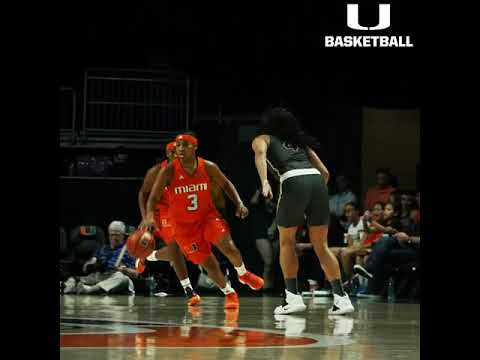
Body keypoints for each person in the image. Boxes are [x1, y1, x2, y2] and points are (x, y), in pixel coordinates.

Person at [251, 107, 354, 315]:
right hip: (316, 183)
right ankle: (342, 298)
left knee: (287, 242)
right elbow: (325, 173)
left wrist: (264, 182)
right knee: (322, 246)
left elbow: (260, 156)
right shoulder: (300, 144)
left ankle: (293, 297)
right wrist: (312, 197)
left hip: (293, 181)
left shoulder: (263, 138)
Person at [144, 132, 264, 309]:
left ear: (195, 147)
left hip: (207, 216)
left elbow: (226, 184)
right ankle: (229, 292)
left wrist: (239, 203)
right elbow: (153, 197)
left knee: (229, 247)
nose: (180, 148)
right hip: (184, 226)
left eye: (185, 145)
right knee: (209, 263)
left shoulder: (207, 166)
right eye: (178, 145)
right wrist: (148, 217)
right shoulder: (169, 170)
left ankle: (243, 273)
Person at [138, 140, 200, 306]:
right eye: (174, 152)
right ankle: (188, 290)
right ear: (167, 154)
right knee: (176, 247)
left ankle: (150, 256)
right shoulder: (156, 172)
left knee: (187, 251)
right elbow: (143, 194)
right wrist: (146, 216)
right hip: (160, 212)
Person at [63, 221, 138, 295]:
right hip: (100, 276)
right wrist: (91, 265)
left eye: (117, 235)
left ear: (123, 235)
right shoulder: (102, 249)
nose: (114, 237)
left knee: (123, 279)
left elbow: (135, 274)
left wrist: (124, 270)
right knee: (73, 279)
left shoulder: (129, 251)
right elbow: (87, 266)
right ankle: (68, 288)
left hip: (116, 278)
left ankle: (91, 290)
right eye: (112, 235)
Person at [249, 186, 278, 290]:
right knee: (268, 262)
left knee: (273, 263)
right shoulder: (258, 203)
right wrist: (259, 190)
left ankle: (271, 286)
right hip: (261, 234)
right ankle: (266, 287)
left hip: (274, 234)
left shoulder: (275, 202)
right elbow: (252, 203)